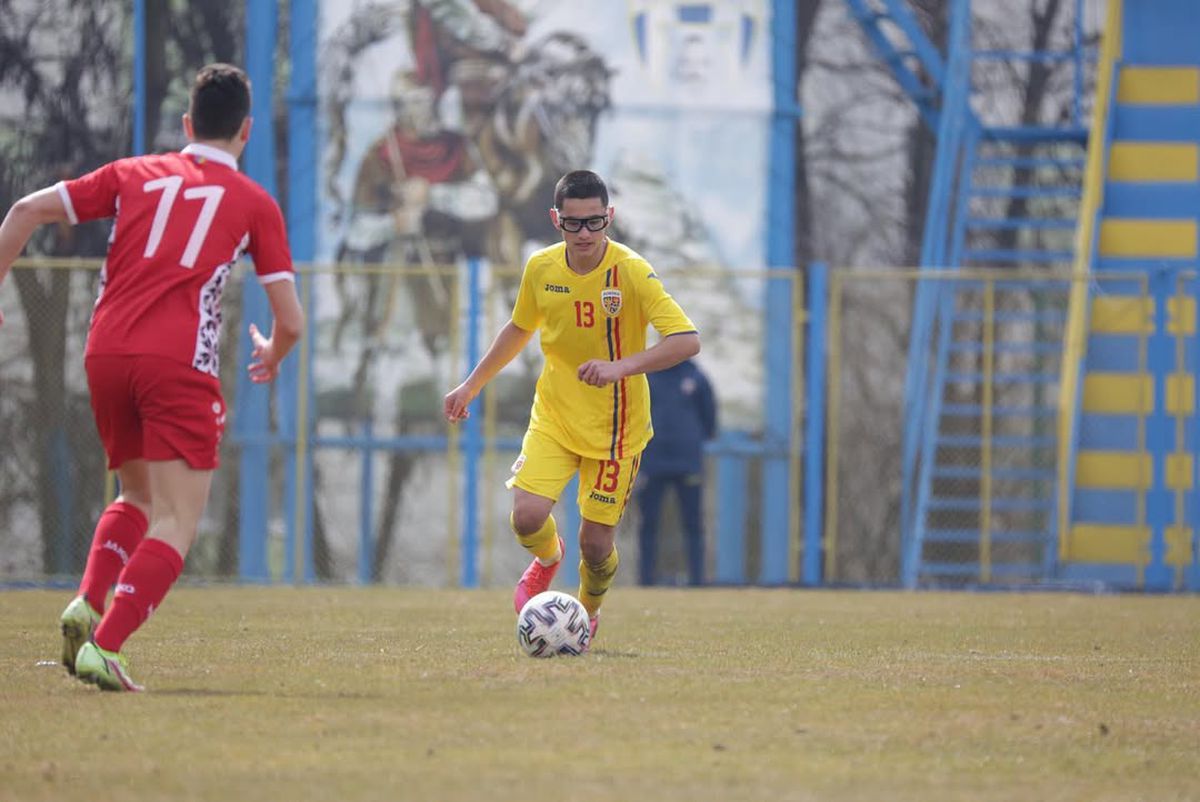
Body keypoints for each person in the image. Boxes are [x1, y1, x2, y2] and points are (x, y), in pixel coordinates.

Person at [0, 63, 305, 691]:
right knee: (178, 519)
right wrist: (273, 352)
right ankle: (105, 647)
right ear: (246, 130)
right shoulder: (252, 202)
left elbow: (26, 211)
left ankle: (87, 603)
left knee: (136, 497)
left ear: (188, 124)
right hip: (177, 364)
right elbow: (292, 321)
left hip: (106, 353)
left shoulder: (131, 174)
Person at [443, 169, 700, 648]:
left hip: (616, 431)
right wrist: (470, 385)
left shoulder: (632, 272)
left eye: (594, 222)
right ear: (555, 219)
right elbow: (519, 328)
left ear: (610, 217)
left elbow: (687, 341)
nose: (584, 233)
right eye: (573, 223)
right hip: (556, 416)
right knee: (525, 516)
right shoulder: (541, 267)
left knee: (597, 546)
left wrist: (620, 367)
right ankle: (546, 560)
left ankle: (588, 610)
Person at [636, 358, 717, 586]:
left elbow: (709, 417)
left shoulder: (696, 376)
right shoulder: (646, 375)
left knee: (693, 523)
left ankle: (697, 580)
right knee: (648, 523)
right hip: (652, 461)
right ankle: (646, 580)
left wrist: (693, 441)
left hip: (687, 462)